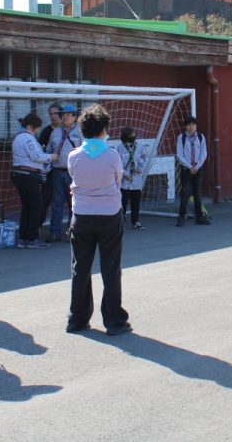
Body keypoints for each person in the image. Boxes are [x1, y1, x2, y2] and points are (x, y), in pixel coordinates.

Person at [65, 104, 131, 336]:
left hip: (81, 215)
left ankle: (77, 319)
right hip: (109, 216)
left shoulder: (73, 156)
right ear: (104, 128)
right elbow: (116, 181)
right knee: (111, 268)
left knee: (80, 268)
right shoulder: (112, 156)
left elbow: (74, 179)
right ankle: (114, 321)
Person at [11, 112, 57, 248]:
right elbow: (37, 156)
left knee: (27, 206)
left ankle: (23, 237)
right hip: (28, 176)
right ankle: (32, 238)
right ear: (31, 126)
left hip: (19, 174)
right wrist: (51, 157)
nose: (38, 131)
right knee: (37, 206)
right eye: (37, 128)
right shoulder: (28, 138)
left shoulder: (18, 137)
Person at [46, 104, 83, 241]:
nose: (65, 117)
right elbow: (49, 151)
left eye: (69, 114)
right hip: (57, 171)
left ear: (75, 117)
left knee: (74, 203)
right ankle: (55, 232)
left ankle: (73, 231)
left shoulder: (80, 132)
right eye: (63, 115)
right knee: (57, 203)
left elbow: (86, 151)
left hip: (74, 172)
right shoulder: (55, 132)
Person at [176, 116, 210, 227]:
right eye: (189, 125)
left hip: (198, 169)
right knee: (185, 192)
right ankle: (181, 217)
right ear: (185, 126)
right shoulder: (181, 138)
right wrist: (190, 166)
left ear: (196, 126)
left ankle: (199, 217)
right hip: (186, 169)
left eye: (193, 125)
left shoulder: (201, 137)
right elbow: (180, 155)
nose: (191, 127)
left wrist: (197, 166)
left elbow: (203, 154)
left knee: (197, 193)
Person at [38, 103, 62, 230]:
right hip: (49, 171)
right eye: (51, 114)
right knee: (45, 198)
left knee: (68, 200)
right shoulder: (46, 131)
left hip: (66, 170)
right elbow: (39, 150)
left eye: (56, 113)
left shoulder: (69, 129)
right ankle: (39, 226)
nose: (53, 116)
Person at [118, 126, 146, 230]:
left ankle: (135, 221)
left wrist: (140, 167)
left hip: (136, 179)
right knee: (122, 203)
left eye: (134, 135)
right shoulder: (119, 148)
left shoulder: (139, 146)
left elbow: (143, 157)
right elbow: (118, 164)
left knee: (136, 201)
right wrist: (125, 174)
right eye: (131, 135)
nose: (133, 137)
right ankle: (121, 222)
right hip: (125, 180)